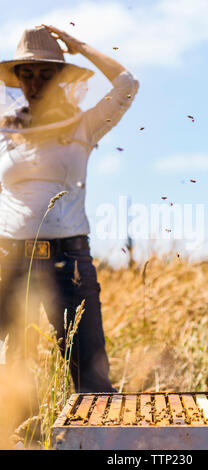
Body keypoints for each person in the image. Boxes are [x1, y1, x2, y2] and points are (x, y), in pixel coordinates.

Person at [0, 25, 139, 392]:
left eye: (46, 73)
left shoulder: (83, 125)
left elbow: (127, 84)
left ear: (61, 77)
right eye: (26, 74)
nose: (35, 82)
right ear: (16, 79)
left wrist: (79, 47)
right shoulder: (3, 133)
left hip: (69, 263)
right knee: (9, 385)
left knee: (92, 383)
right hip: (10, 263)